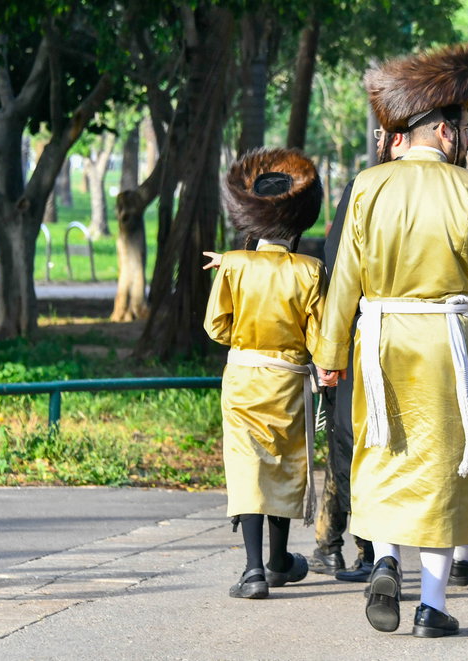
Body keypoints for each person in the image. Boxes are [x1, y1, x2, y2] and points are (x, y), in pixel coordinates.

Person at [312, 43, 468, 639]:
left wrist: (330, 356)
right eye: (463, 128)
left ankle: (384, 558)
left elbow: (344, 284)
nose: (467, 138)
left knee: (382, 454)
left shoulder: (366, 186)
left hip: (379, 338)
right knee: (447, 469)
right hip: (450, 346)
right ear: (440, 129)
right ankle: (432, 607)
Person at [204, 148, 325, 600]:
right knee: (282, 465)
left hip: (242, 379)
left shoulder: (234, 265)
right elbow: (319, 338)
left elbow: (215, 327)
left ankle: (253, 570)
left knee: (247, 467)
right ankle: (278, 561)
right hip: (289, 381)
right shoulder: (311, 271)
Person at [308, 126, 409, 584]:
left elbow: (338, 267)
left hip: (367, 334)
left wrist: (331, 350)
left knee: (353, 443)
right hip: (435, 340)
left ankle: (356, 550)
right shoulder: (457, 185)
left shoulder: (365, 186)